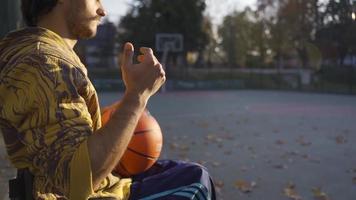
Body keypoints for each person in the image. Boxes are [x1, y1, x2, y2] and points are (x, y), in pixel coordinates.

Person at [0, 0, 216, 199]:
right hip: (93, 194)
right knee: (195, 181)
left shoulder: (46, 55)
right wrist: (136, 96)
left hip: (104, 185)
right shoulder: (43, 62)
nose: (102, 10)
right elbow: (74, 183)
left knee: (177, 171)